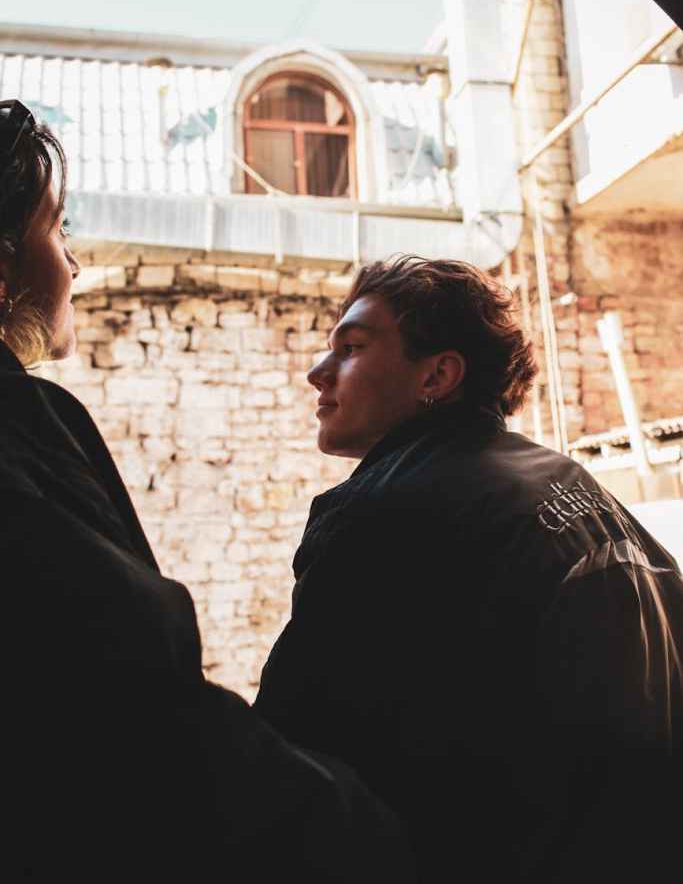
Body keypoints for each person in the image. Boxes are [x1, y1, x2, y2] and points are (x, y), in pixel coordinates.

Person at [0, 99, 415, 883]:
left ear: (439, 374)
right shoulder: (24, 420)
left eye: (354, 346)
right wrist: (355, 826)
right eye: (57, 230)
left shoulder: (403, 508)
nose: (74, 264)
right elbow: (139, 706)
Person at [255, 255, 683, 883]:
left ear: (438, 374)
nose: (317, 372)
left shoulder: (382, 511)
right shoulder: (574, 484)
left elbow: (294, 748)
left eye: (351, 347)